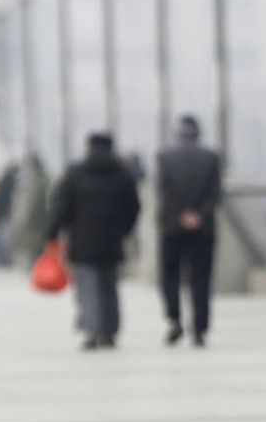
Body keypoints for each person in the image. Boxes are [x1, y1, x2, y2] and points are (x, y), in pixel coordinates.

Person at [47, 132, 141, 350]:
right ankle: (110, 331)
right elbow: (134, 208)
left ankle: (91, 330)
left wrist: (52, 234)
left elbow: (61, 208)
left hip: (82, 239)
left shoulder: (75, 174)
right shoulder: (123, 175)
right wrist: (124, 230)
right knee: (110, 287)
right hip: (112, 239)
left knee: (88, 287)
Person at [156, 115, 224, 347]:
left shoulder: (164, 157)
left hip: (172, 228)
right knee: (201, 279)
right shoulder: (211, 157)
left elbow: (165, 192)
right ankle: (200, 329)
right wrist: (199, 215)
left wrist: (180, 215)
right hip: (203, 228)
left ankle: (175, 319)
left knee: (170, 276)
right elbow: (215, 193)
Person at [6, 153, 51, 275]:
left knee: (37, 247)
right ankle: (38, 270)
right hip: (38, 222)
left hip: (37, 221)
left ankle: (40, 271)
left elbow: (34, 204)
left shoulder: (40, 182)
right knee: (35, 247)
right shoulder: (37, 181)